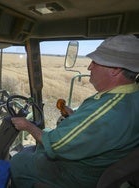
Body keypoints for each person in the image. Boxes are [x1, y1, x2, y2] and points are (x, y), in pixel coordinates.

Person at [9, 34, 139, 188]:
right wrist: (76, 116)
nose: (89, 67)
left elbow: (57, 145)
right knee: (39, 145)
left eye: (95, 62)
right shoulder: (131, 97)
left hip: (78, 174)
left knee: (18, 162)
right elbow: (98, 127)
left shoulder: (109, 108)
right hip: (101, 166)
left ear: (115, 70)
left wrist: (27, 126)